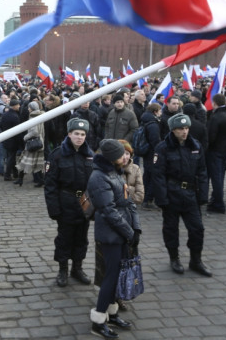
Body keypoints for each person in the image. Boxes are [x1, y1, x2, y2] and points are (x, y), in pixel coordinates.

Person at [87, 139, 139, 339]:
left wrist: (136, 228)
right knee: (110, 277)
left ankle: (112, 313)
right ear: (111, 157)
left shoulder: (114, 171)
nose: (124, 157)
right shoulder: (99, 177)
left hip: (120, 231)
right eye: (120, 155)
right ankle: (98, 321)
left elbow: (126, 201)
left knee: (117, 275)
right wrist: (128, 232)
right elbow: (108, 210)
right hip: (110, 235)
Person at [154, 113, 212, 277]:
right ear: (173, 130)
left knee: (197, 228)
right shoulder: (163, 148)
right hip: (172, 194)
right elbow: (158, 175)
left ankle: (196, 260)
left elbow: (202, 171)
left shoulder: (195, 146)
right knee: (171, 229)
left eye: (186, 128)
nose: (184, 132)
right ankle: (174, 258)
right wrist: (162, 198)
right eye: (180, 129)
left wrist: (203, 194)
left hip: (190, 194)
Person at [44, 118, 95, 287]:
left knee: (82, 238)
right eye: (76, 134)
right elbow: (50, 185)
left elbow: (95, 182)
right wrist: (54, 208)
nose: (80, 137)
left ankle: (77, 268)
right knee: (64, 238)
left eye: (82, 134)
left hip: (84, 202)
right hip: (66, 201)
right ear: (69, 134)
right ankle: (63, 270)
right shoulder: (57, 154)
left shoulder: (90, 155)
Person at [205, 94, 226, 214]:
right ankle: (216, 199)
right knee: (220, 176)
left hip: (215, 151)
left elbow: (211, 136)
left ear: (215, 103)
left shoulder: (216, 117)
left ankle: (218, 203)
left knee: (216, 178)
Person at [17, 101, 46, 187]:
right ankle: (40, 180)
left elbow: (34, 132)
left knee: (24, 160)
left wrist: (25, 137)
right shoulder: (41, 115)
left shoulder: (33, 117)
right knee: (36, 162)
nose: (28, 109)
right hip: (40, 142)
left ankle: (21, 179)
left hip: (33, 143)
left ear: (32, 108)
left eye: (29, 107)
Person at [0, 99, 23, 182]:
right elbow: (17, 131)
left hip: (6, 139)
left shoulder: (5, 114)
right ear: (14, 106)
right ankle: (7, 174)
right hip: (13, 140)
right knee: (11, 158)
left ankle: (15, 173)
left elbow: (1, 125)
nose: (19, 106)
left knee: (11, 157)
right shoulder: (15, 116)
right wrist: (20, 143)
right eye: (18, 105)